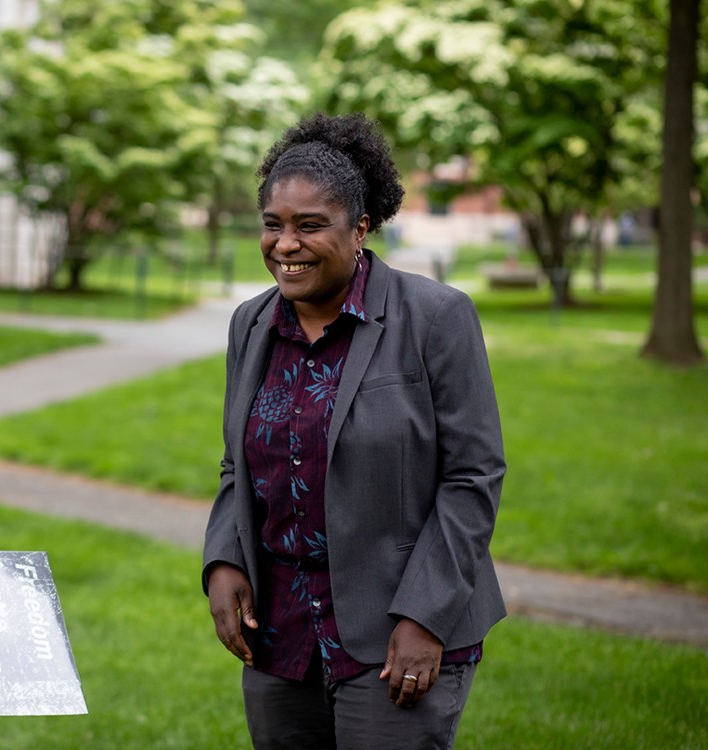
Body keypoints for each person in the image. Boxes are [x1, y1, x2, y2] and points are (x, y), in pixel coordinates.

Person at [202, 113, 506, 749]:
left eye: (310, 226)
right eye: (273, 225)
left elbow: (472, 477)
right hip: (280, 633)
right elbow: (238, 462)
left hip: (397, 633)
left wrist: (425, 616)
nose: (285, 244)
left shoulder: (435, 318)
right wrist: (224, 556)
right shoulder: (251, 326)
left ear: (361, 229)